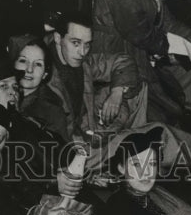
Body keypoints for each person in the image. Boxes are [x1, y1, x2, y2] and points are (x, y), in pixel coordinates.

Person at [44, 10, 143, 142]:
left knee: (134, 86)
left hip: (86, 127)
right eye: (75, 43)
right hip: (67, 146)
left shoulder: (82, 61)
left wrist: (116, 93)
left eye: (87, 44)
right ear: (58, 38)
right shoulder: (42, 69)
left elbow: (123, 61)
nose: (83, 52)